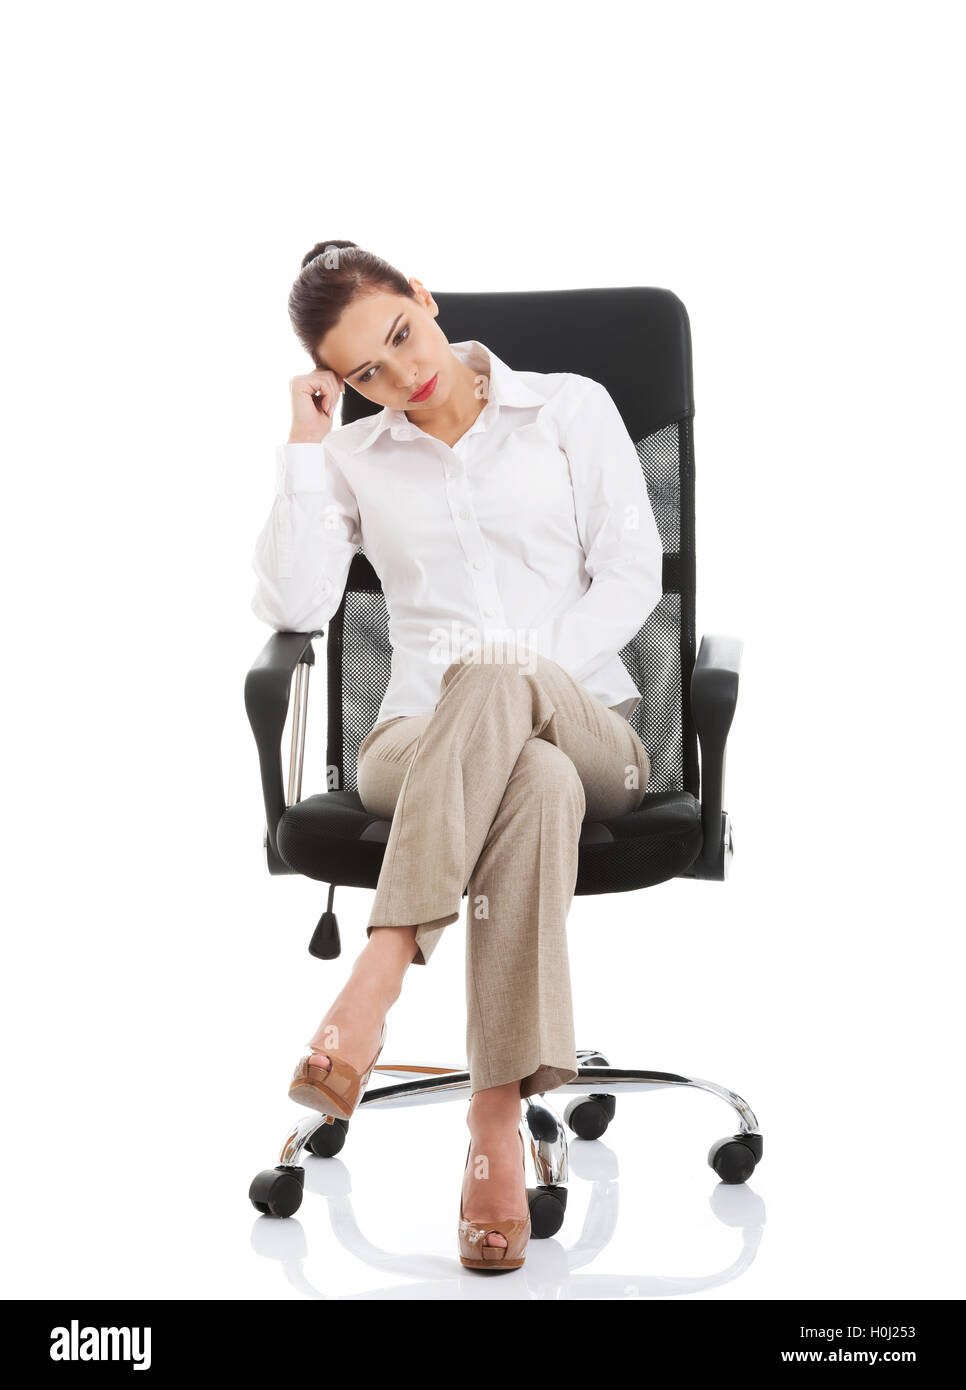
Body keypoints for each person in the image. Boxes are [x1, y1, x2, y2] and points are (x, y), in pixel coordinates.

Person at [250, 240, 663, 1268]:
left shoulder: (569, 408)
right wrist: (307, 444)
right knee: (531, 776)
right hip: (415, 744)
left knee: (502, 688)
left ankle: (377, 977)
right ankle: (491, 1120)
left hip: (592, 724)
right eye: (365, 374)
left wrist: (519, 680)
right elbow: (295, 606)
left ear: (424, 297)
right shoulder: (353, 455)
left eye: (400, 333)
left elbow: (632, 573)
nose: (401, 374)